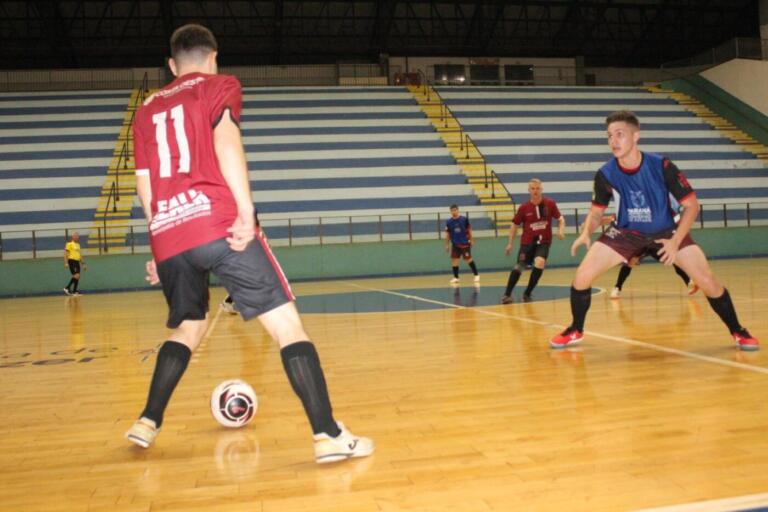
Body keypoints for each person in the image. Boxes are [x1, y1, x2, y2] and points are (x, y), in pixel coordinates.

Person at [125, 24, 373, 464]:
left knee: (188, 328)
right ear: (214, 57)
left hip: (169, 231)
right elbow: (226, 141)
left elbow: (144, 184)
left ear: (170, 65)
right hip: (218, 224)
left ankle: (147, 420)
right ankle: (328, 435)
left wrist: (159, 241)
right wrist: (246, 211)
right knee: (287, 328)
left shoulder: (144, 109)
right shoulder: (221, 86)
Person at [549, 110, 758, 351]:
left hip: (667, 231)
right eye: (609, 136)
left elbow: (691, 206)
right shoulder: (606, 174)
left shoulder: (662, 166)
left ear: (636, 136)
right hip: (626, 234)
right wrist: (587, 231)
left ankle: (738, 331)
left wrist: (675, 241)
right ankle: (576, 329)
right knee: (581, 277)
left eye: (620, 135)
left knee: (707, 280)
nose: (613, 141)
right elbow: (597, 212)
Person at [501, 178, 565, 303]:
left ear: (541, 189)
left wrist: (560, 230)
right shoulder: (524, 208)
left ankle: (527, 293)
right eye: (533, 189)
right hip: (527, 243)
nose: (535, 191)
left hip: (543, 242)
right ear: (529, 190)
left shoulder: (550, 204)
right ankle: (507, 294)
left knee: (540, 262)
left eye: (538, 188)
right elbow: (514, 225)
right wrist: (510, 243)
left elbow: (561, 219)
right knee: (519, 267)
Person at [444, 204, 479, 284]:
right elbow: (447, 234)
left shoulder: (464, 219)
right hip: (455, 244)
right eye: (452, 210)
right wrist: (447, 244)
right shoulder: (449, 222)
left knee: (468, 259)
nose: (454, 212)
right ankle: (456, 277)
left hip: (465, 243)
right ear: (450, 211)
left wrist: (471, 239)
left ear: (458, 210)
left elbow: (469, 229)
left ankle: (476, 275)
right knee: (454, 260)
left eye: (455, 210)